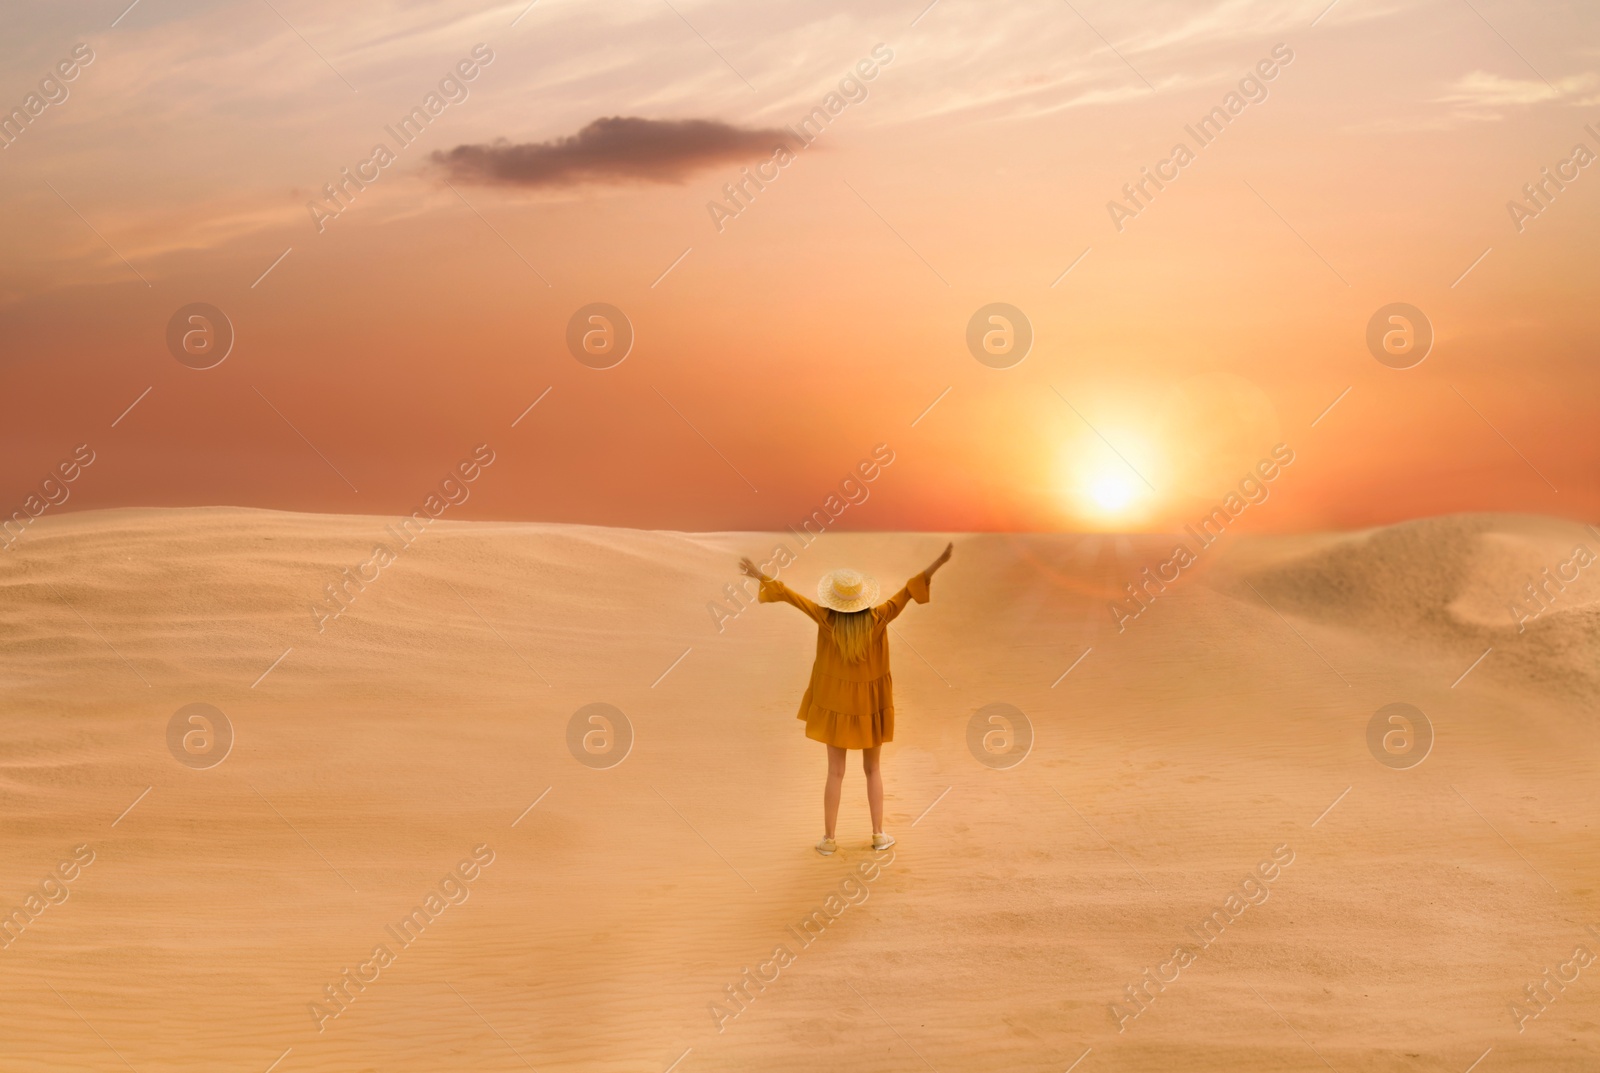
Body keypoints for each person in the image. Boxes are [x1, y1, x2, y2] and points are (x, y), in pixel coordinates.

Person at [738, 542, 953, 855]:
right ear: (862, 598)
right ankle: (879, 835)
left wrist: (757, 573)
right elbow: (909, 589)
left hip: (836, 707)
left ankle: (828, 840)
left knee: (834, 773)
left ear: (835, 600)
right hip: (869, 708)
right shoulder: (880, 617)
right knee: (873, 771)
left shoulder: (826, 619)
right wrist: (940, 561)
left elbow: (788, 595)